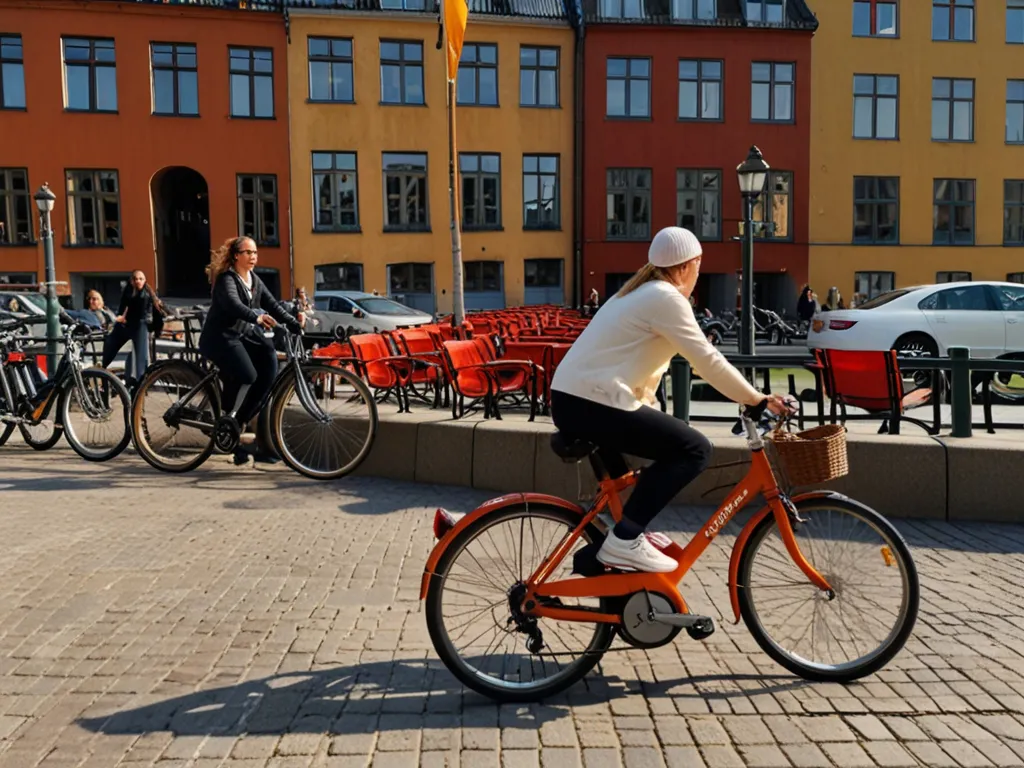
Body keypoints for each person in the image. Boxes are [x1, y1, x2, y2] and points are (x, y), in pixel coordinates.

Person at [549, 226, 790, 573]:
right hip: (590, 402)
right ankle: (624, 542)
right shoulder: (666, 298)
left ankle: (611, 554)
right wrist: (756, 398)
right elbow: (707, 360)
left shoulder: (637, 291)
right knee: (694, 449)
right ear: (684, 267)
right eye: (697, 266)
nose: (697, 274)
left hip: (576, 399)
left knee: (633, 485)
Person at [199, 236, 304, 466]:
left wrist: (292, 321)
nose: (253, 257)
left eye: (255, 252)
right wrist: (256, 317)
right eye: (248, 252)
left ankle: (239, 422)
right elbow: (233, 305)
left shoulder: (254, 279)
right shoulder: (228, 279)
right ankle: (226, 416)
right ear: (236, 255)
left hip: (242, 335)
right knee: (247, 374)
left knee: (269, 363)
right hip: (220, 337)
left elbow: (272, 304)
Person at [101, 270, 164, 388]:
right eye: (135, 279)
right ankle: (103, 369)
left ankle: (141, 382)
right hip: (127, 324)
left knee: (141, 355)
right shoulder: (128, 291)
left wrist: (157, 329)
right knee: (110, 342)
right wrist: (120, 318)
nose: (138, 281)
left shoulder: (146, 295)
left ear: (144, 281)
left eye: (140, 279)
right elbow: (122, 307)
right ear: (131, 281)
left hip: (140, 324)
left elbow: (155, 313)